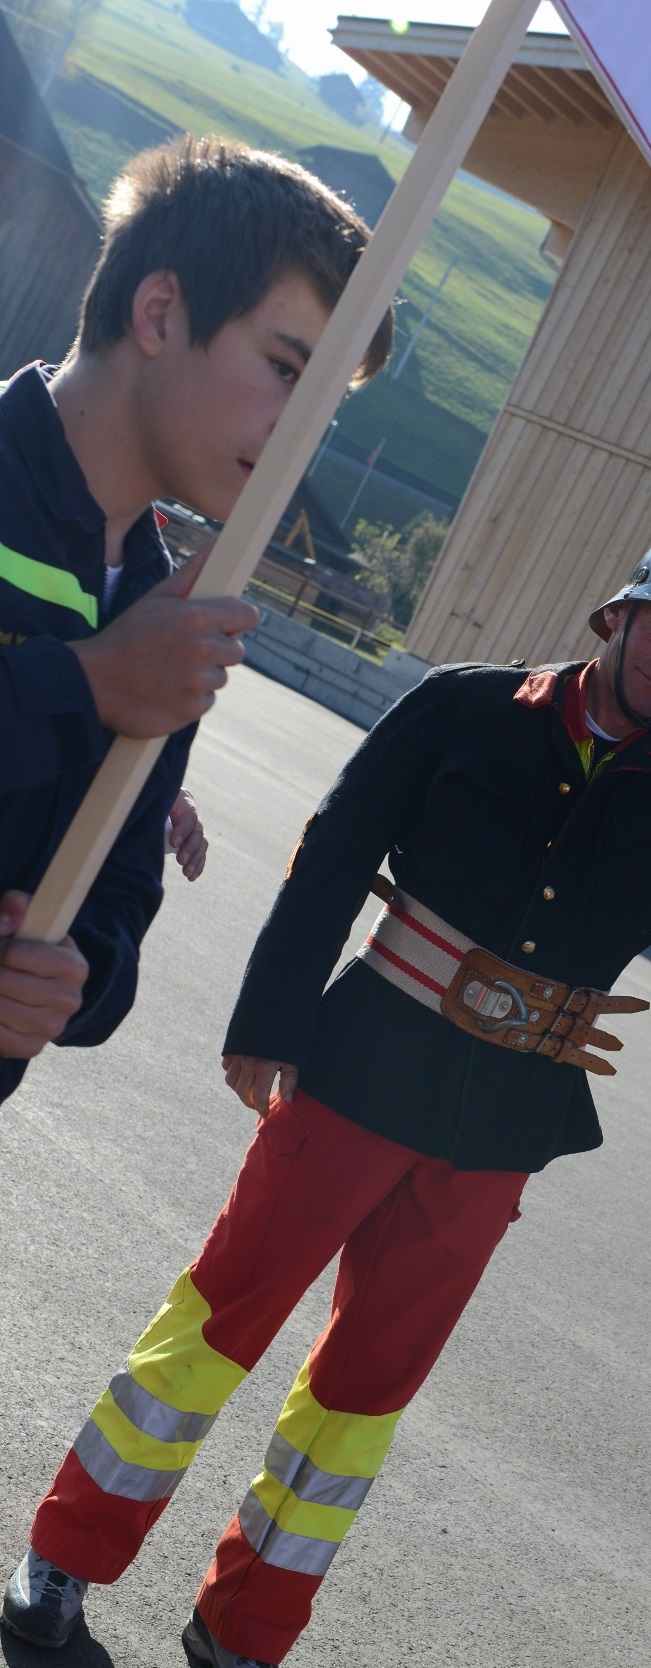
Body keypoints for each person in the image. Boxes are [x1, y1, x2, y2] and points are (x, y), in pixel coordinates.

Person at [3, 521, 651, 1668]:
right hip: (361, 1065)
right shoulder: (469, 707)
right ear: (616, 621)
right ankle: (67, 1557)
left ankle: (245, 1629)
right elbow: (337, 845)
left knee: (364, 1395)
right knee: (218, 1317)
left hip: (500, 1125)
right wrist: (272, 1018)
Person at [0, 134, 392, 1105]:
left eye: (328, 405)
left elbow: (124, 893)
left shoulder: (165, 606)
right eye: (286, 367)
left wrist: (72, 982)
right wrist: (84, 683)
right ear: (161, 310)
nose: (305, 436)